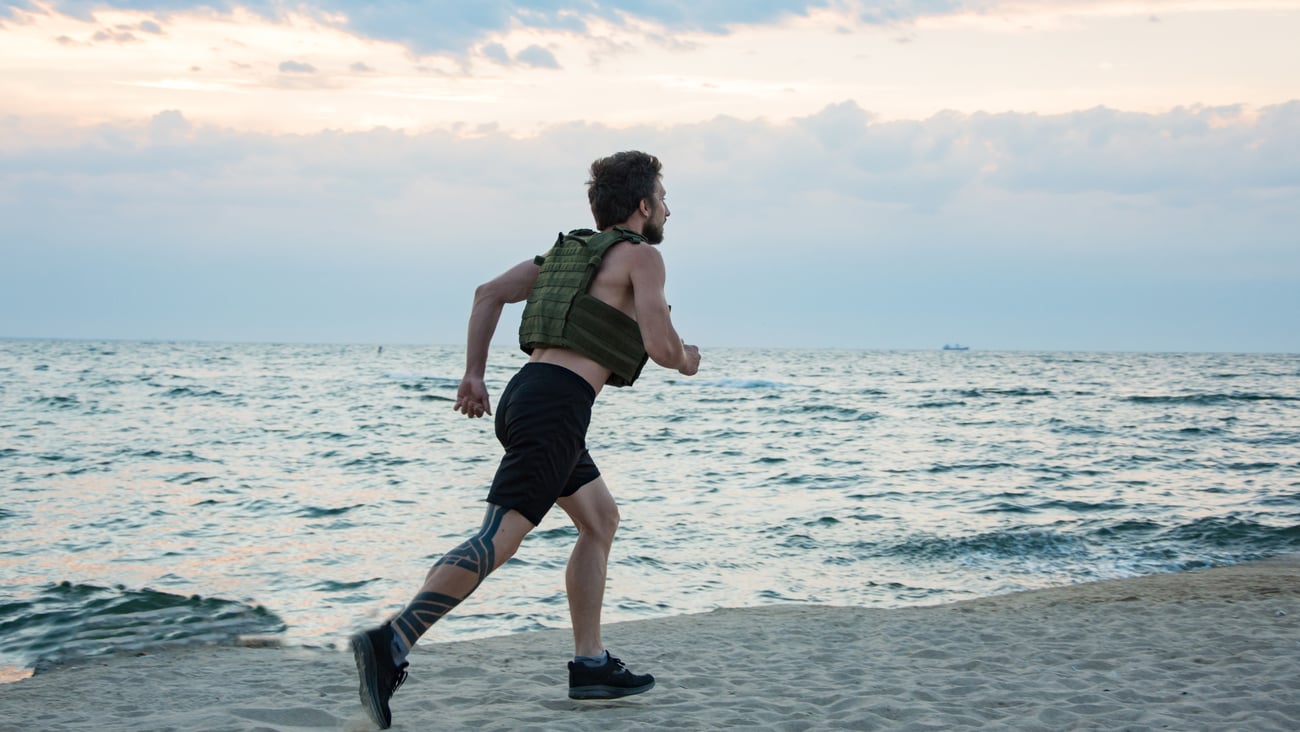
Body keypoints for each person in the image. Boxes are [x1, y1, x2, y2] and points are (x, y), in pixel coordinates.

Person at [349, 150, 701, 729]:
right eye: (663, 197)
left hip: (526, 397)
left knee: (599, 520)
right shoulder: (643, 257)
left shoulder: (566, 256)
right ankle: (391, 643)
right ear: (642, 206)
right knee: (498, 537)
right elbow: (663, 349)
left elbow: (488, 292)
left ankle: (590, 664)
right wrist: (688, 360)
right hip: (556, 407)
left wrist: (474, 374)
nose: (667, 208)